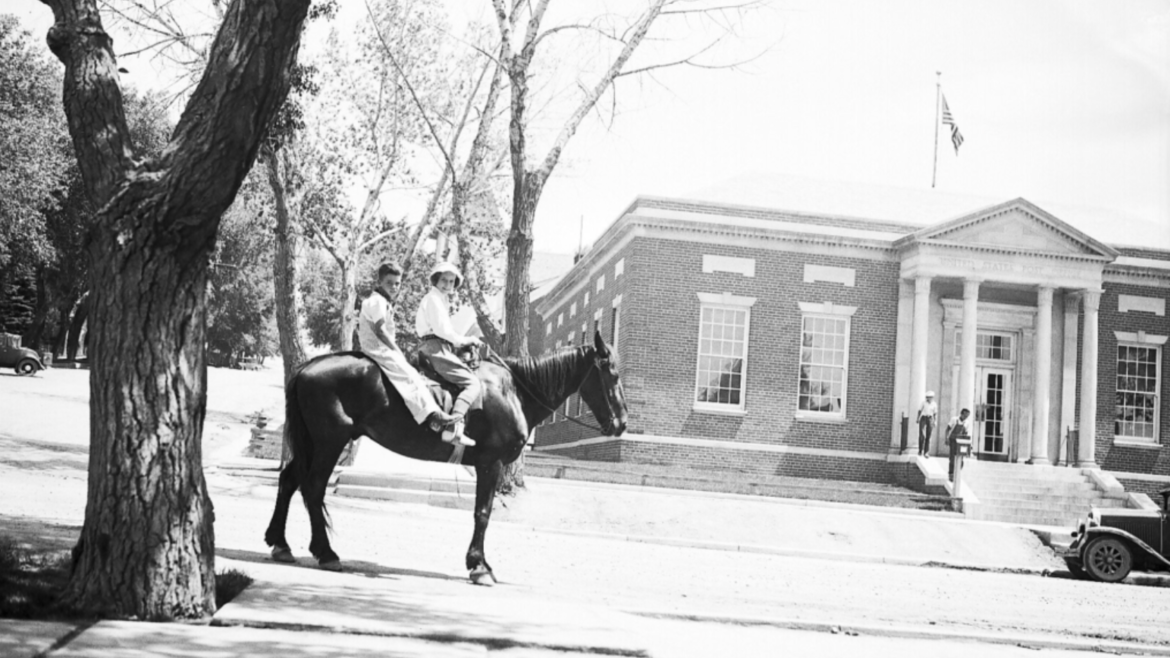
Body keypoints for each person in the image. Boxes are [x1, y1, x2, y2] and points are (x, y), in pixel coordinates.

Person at [358, 262, 471, 446]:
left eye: (397, 283)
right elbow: (380, 330)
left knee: (413, 375)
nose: (394, 287)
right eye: (389, 283)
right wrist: (396, 350)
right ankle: (431, 415)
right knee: (409, 377)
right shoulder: (376, 301)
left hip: (381, 348)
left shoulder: (382, 301)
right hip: (378, 349)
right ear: (379, 282)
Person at [416, 261, 483, 446]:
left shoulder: (440, 300)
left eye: (452, 281)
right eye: (444, 280)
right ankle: (453, 427)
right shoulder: (434, 300)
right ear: (436, 279)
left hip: (438, 346)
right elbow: (443, 331)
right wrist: (468, 340)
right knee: (472, 383)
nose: (447, 284)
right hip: (435, 347)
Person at [946, 408, 973, 479]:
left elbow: (966, 434)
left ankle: (957, 473)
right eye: (965, 415)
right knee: (952, 458)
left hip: (961, 442)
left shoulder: (967, 422)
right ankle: (951, 474)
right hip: (952, 440)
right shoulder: (954, 419)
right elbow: (947, 429)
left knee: (961, 460)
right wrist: (946, 438)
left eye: (967, 416)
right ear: (961, 414)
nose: (966, 417)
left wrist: (969, 444)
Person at [917, 391, 938, 457]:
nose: (929, 398)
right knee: (922, 435)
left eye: (930, 397)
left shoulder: (934, 404)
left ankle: (926, 452)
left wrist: (935, 421)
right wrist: (918, 418)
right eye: (928, 397)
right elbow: (919, 410)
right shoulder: (923, 403)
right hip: (923, 418)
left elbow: (935, 413)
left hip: (930, 418)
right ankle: (920, 450)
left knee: (928, 436)